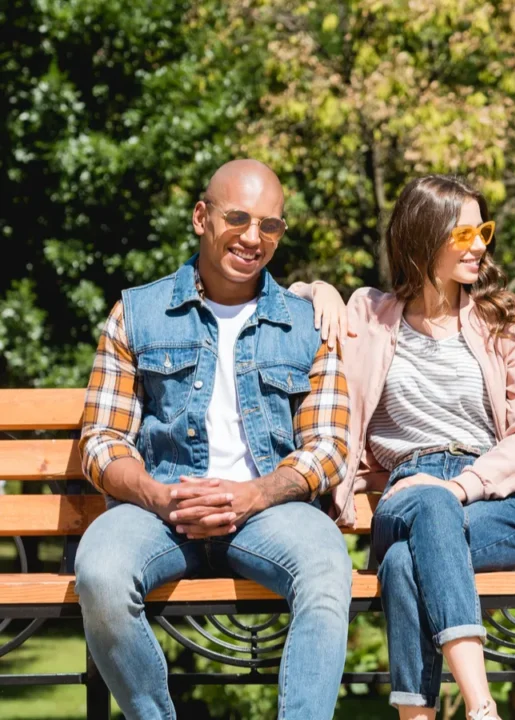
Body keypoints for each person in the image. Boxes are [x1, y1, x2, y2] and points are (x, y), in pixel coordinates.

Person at [75, 159, 353, 720]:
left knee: (326, 568)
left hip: (268, 510)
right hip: (159, 507)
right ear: (202, 217)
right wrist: (160, 495)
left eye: (270, 225)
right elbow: (102, 440)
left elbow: (328, 446)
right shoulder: (136, 313)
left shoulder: (307, 325)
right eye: (238, 218)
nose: (254, 237)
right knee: (99, 573)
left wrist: (252, 494)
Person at [296, 175, 515, 720]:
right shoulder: (368, 314)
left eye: (483, 230)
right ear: (422, 238)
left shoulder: (502, 320)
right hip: (404, 490)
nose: (480, 245)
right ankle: (483, 708)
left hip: (494, 496)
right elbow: (283, 303)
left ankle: (418, 717)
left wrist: (460, 485)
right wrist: (316, 289)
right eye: (464, 234)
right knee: (427, 509)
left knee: (402, 567)